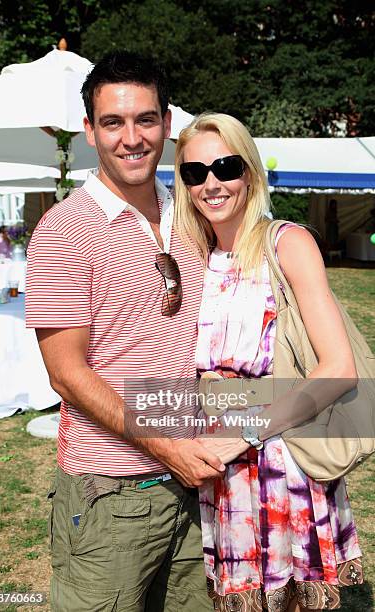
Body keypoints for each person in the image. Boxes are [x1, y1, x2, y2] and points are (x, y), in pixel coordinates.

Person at [25, 52, 224, 612]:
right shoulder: (65, 229)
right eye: (112, 122)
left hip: (199, 484)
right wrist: (170, 449)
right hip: (113, 497)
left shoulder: (193, 214)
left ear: (167, 123)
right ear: (89, 130)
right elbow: (66, 374)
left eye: (146, 119)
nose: (131, 138)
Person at [174, 113, 363, 612]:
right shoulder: (195, 257)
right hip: (223, 470)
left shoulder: (287, 243)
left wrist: (246, 432)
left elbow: (338, 365)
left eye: (225, 167)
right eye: (194, 173)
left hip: (284, 459)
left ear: (250, 172)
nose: (211, 183)